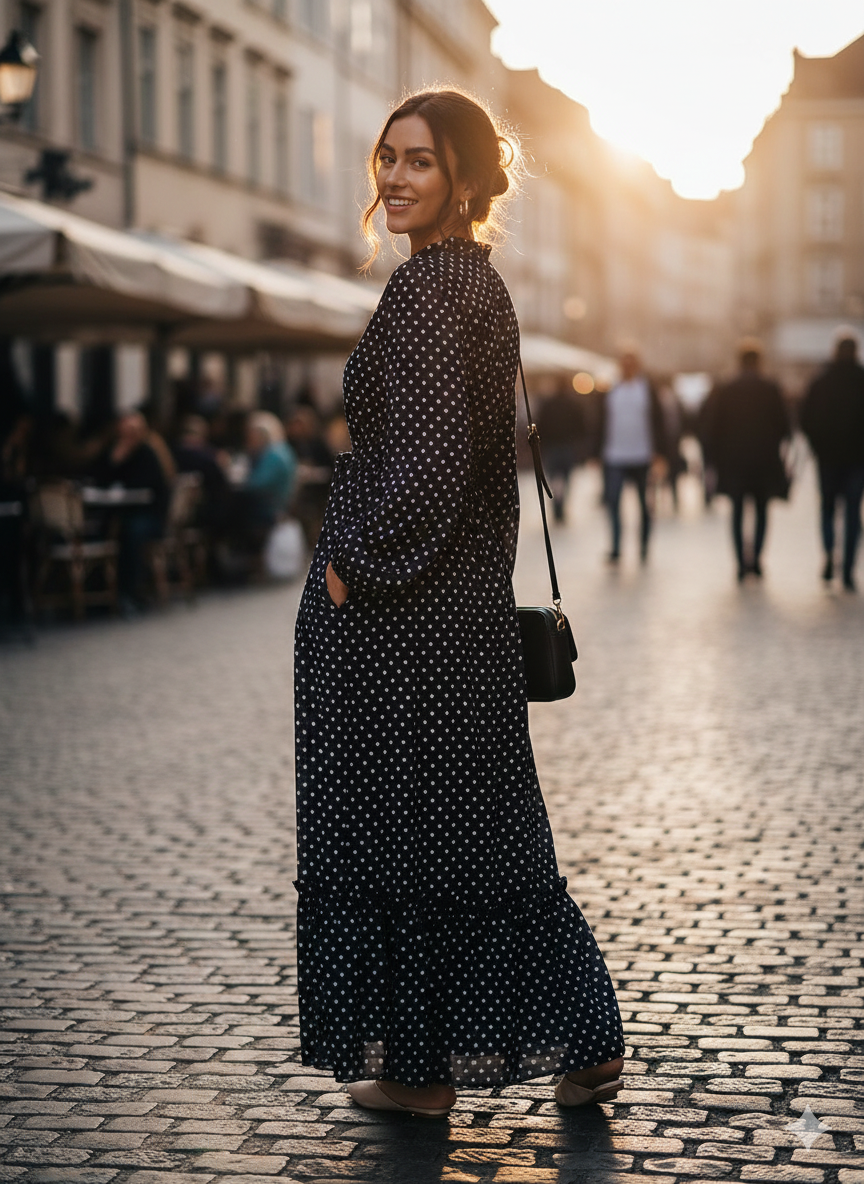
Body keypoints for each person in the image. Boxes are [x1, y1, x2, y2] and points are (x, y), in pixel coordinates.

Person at [293, 88, 625, 1119]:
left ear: (467, 181)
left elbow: (429, 471)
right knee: (472, 835)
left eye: (421, 162)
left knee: (412, 835)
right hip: (453, 618)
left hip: (409, 625)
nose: (394, 177)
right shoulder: (466, 284)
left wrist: (352, 560)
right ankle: (516, 1049)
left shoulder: (434, 293)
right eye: (387, 157)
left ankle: (432, 1067)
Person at [702, 339, 791, 582]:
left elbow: (712, 427)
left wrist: (713, 459)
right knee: (762, 511)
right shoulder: (770, 387)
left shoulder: (726, 388)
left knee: (737, 511)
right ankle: (758, 560)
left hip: (733, 461)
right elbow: (785, 427)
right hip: (763, 460)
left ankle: (741, 562)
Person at [799, 328, 864, 591]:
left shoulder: (820, 381)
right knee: (852, 512)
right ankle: (848, 568)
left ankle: (829, 554)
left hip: (827, 457)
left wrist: (817, 444)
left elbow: (805, 418)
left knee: (827, 508)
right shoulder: (862, 379)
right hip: (858, 458)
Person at [90, 412, 170, 610]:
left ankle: (130, 592)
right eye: (125, 431)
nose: (129, 436)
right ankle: (97, 591)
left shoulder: (148, 454)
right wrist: (114, 461)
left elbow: (149, 488)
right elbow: (97, 480)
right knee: (100, 531)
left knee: (131, 534)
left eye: (133, 431)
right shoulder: (112, 451)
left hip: (148, 515)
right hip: (119, 513)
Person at [598, 345, 665, 563]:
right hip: (614, 455)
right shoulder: (611, 389)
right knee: (613, 503)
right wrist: (595, 452)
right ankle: (616, 547)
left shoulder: (647, 390)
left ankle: (644, 545)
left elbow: (659, 423)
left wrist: (660, 453)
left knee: (645, 505)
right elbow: (600, 422)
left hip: (642, 456)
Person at [536, 379, 587, 523]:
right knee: (566, 477)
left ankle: (556, 506)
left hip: (551, 446)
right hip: (567, 446)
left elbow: (540, 424)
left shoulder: (548, 404)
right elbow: (581, 424)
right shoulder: (573, 404)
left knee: (553, 478)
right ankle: (561, 505)